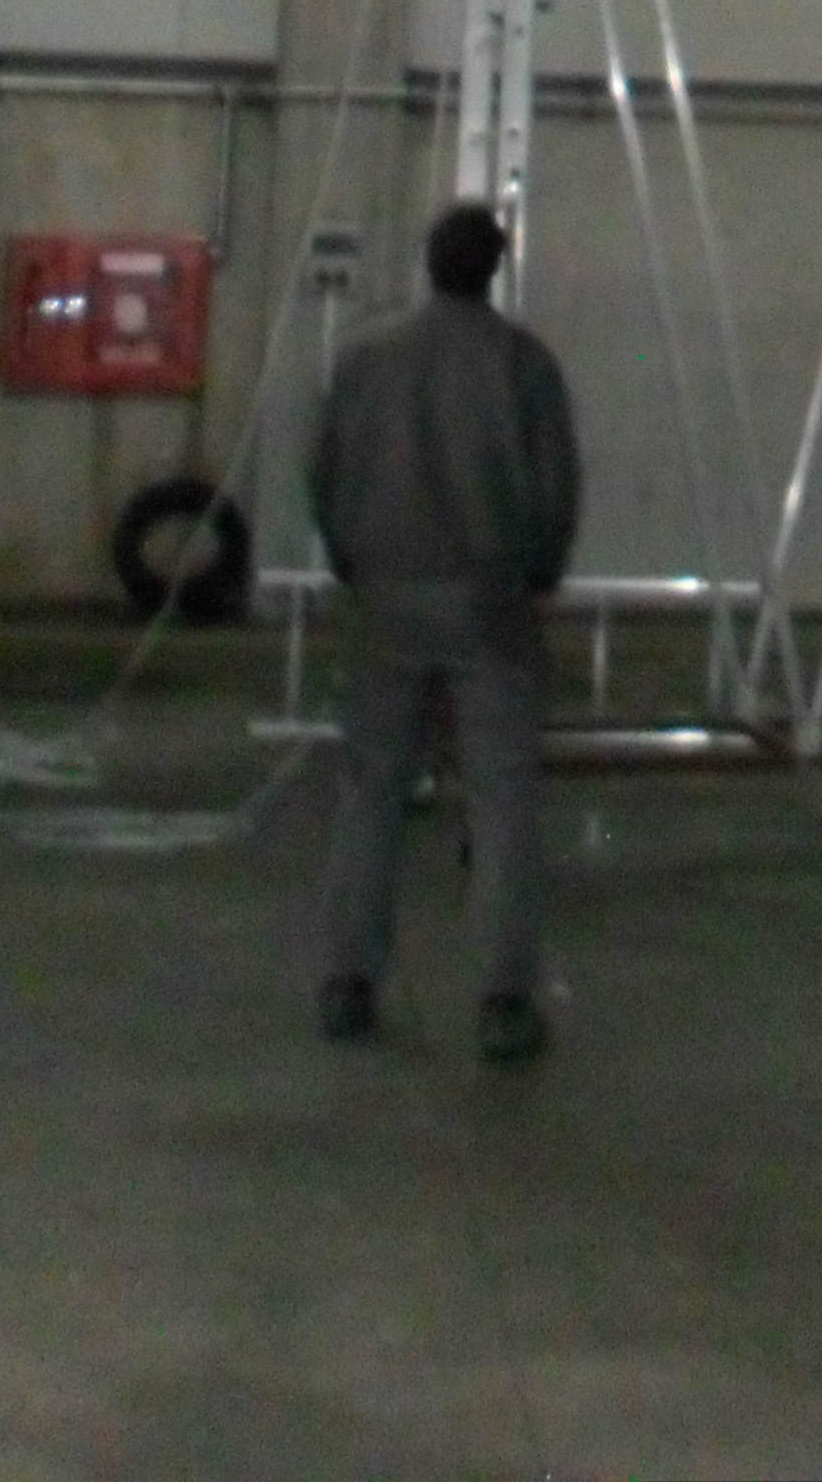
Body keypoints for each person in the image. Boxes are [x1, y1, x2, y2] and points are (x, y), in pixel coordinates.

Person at [311, 198, 583, 1065]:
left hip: (386, 601)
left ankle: (347, 984)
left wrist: (353, 561)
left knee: (371, 794)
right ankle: (503, 1002)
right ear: (494, 269)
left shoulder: (365, 357)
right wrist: (536, 576)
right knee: (502, 805)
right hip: (489, 607)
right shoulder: (524, 364)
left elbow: (326, 474)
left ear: (428, 262)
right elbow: (554, 489)